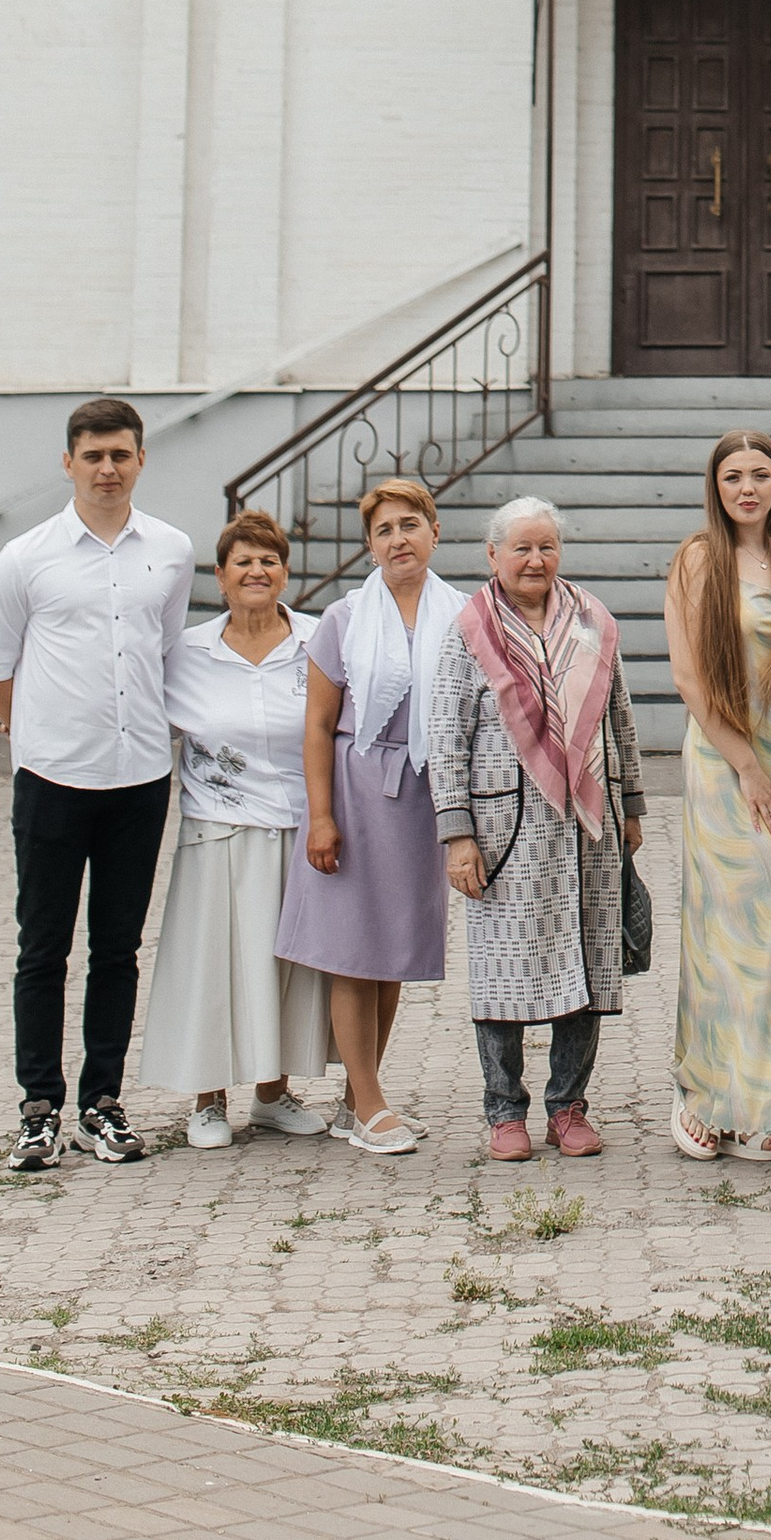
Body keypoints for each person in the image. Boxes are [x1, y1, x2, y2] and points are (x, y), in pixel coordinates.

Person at [0, 397, 195, 1174]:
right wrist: (34, 731)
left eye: (121, 455)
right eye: (93, 455)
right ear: (68, 462)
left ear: (140, 461)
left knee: (118, 949)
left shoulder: (169, 550)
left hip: (138, 778)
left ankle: (103, 1103)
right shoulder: (25, 559)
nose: (107, 468)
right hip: (53, 780)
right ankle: (39, 1107)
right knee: (42, 949)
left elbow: (164, 651)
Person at [432, 493, 646, 1161]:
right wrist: (456, 832)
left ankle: (568, 1106)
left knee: (586, 965)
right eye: (520, 547)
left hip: (589, 825)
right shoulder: (469, 629)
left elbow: (620, 719)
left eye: (545, 546)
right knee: (502, 972)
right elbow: (446, 735)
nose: (534, 558)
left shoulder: (593, 621)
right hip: (503, 830)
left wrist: (631, 806)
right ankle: (504, 1111)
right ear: (492, 555)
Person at [140, 511, 335, 1145]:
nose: (257, 571)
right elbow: (139, 719)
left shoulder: (319, 642)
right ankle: (208, 1101)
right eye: (243, 561)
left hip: (300, 827)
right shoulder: (186, 653)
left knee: (287, 967)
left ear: (285, 572)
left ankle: (273, 1095)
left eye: (269, 560)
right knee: (216, 965)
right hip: (217, 831)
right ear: (220, 577)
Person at [278, 475, 457, 1155]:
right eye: (383, 530)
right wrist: (321, 817)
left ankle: (362, 1099)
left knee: (393, 955)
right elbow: (318, 727)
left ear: (434, 532)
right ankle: (370, 1102)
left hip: (422, 799)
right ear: (370, 546)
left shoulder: (464, 615)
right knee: (353, 952)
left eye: (409, 524)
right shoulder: (344, 620)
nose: (397, 539)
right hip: (355, 795)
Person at [664, 430, 771, 1162]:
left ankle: (766, 1101)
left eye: (761, 475)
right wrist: (745, 765)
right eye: (734, 476)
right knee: (724, 933)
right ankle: (704, 1094)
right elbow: (692, 677)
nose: (748, 487)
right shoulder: (699, 559)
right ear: (717, 487)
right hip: (728, 766)